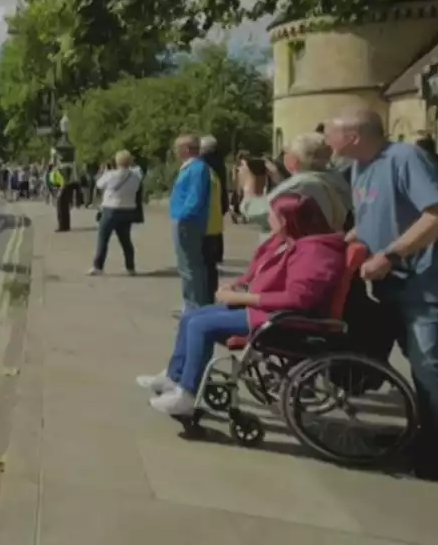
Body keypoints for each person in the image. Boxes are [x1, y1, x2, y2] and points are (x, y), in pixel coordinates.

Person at [325, 109, 438, 482]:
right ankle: (429, 440)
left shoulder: (406, 159)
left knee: (431, 367)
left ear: (354, 136)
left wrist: (391, 254)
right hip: (393, 286)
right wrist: (354, 237)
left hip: (428, 285)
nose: (328, 143)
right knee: (420, 369)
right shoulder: (360, 167)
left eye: (332, 135)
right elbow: (374, 212)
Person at [140, 194, 347, 416]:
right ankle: (175, 377)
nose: (268, 219)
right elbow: (258, 274)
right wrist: (237, 287)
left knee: (200, 325)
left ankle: (187, 394)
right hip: (266, 310)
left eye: (272, 215)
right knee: (191, 316)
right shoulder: (288, 241)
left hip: (283, 319)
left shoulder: (315, 252)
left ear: (286, 220)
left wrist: (242, 298)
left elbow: (299, 299)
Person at [237, 133, 351, 243]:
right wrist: (279, 179)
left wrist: (248, 186)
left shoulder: (302, 184)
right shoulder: (335, 178)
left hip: (299, 250)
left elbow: (259, 213)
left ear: (294, 159)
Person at [170, 135, 212, 314]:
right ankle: (190, 304)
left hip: (188, 221)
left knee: (189, 265)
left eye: (177, 148)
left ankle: (194, 307)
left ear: (187, 149)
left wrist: (183, 216)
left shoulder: (197, 168)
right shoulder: (190, 167)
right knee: (187, 265)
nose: (175, 152)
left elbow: (195, 196)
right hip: (184, 219)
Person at [89, 150, 142, 276]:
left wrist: (103, 173)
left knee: (103, 238)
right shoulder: (135, 177)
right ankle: (130, 267)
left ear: (117, 161)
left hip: (111, 208)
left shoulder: (111, 175)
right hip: (128, 210)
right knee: (125, 240)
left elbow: (99, 184)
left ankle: (98, 266)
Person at [200, 136, 229, 307]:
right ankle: (219, 253)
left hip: (206, 212)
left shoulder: (203, 164)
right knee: (216, 235)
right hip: (219, 203)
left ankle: (205, 299)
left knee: (204, 262)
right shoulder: (220, 161)